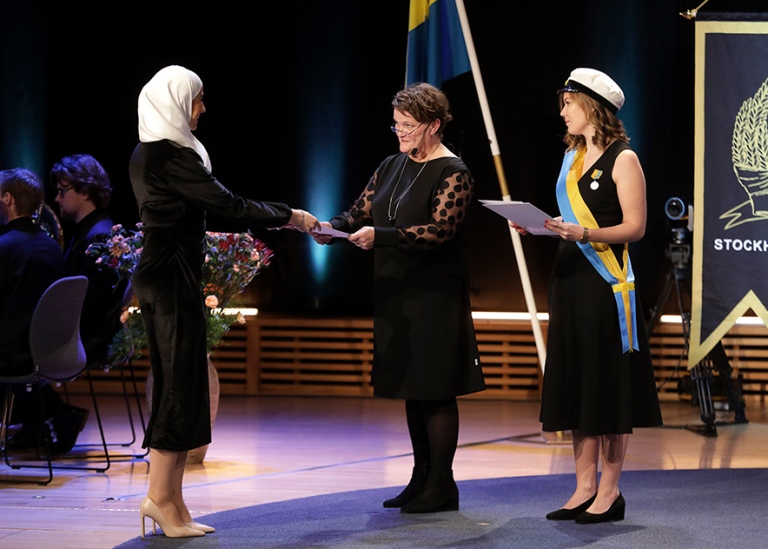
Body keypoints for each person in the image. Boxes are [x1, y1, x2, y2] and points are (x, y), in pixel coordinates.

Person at [129, 65, 319, 538]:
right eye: (197, 100)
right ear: (176, 101)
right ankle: (158, 499)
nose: (203, 109)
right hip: (170, 278)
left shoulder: (160, 152)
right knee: (177, 387)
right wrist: (290, 215)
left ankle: (172, 500)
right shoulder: (167, 157)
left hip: (175, 275)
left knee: (187, 385)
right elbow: (229, 205)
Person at [310, 82, 485, 514]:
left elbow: (439, 231)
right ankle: (420, 478)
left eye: (408, 125)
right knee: (413, 387)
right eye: (396, 124)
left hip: (435, 296)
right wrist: (330, 229)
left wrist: (382, 237)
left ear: (434, 126)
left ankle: (443, 485)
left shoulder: (454, 171)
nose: (400, 132)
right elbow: (361, 209)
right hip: (397, 294)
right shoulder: (391, 165)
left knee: (437, 389)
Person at [519, 68, 662, 524]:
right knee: (577, 382)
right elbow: (567, 223)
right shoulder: (571, 157)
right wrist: (540, 226)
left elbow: (635, 227)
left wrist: (585, 231)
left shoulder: (625, 159)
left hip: (606, 287)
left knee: (608, 386)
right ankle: (582, 487)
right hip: (569, 283)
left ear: (592, 106)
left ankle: (610, 492)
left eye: (568, 103)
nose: (561, 112)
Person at [0, 168, 83, 453]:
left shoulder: (5, 246)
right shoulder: (52, 247)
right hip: (48, 351)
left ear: (7, 199)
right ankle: (38, 425)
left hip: (13, 354)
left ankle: (43, 421)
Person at [51, 154, 127, 365]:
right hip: (88, 334)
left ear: (84, 191)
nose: (57, 198)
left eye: (62, 191)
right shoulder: (92, 230)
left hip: (90, 340)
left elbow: (89, 303)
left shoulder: (99, 235)